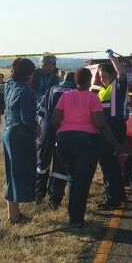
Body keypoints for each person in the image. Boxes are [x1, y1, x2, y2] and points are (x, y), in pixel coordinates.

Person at [52, 67, 119, 227]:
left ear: (75, 80)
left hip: (64, 142)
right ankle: (76, 219)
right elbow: (100, 123)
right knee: (82, 181)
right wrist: (115, 143)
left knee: (73, 178)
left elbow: (54, 120)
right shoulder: (92, 98)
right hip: (86, 143)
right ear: (90, 81)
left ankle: (73, 217)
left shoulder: (65, 96)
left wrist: (66, 129)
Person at [3, 57, 38, 224]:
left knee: (12, 174)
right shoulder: (25, 92)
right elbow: (28, 120)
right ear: (29, 75)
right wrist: (38, 131)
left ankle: (13, 213)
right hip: (20, 136)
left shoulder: (10, 85)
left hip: (7, 132)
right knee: (19, 174)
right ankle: (14, 216)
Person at [95, 49, 130, 210]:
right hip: (107, 128)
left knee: (108, 163)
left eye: (103, 75)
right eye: (100, 76)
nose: (101, 79)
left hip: (115, 127)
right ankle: (119, 194)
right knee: (112, 163)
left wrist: (112, 58)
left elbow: (122, 73)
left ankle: (112, 199)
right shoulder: (102, 91)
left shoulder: (117, 85)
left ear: (112, 74)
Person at [36, 71, 76, 207]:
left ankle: (38, 194)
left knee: (42, 162)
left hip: (47, 129)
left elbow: (41, 111)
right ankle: (54, 199)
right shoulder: (75, 92)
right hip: (64, 131)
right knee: (60, 166)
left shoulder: (52, 89)